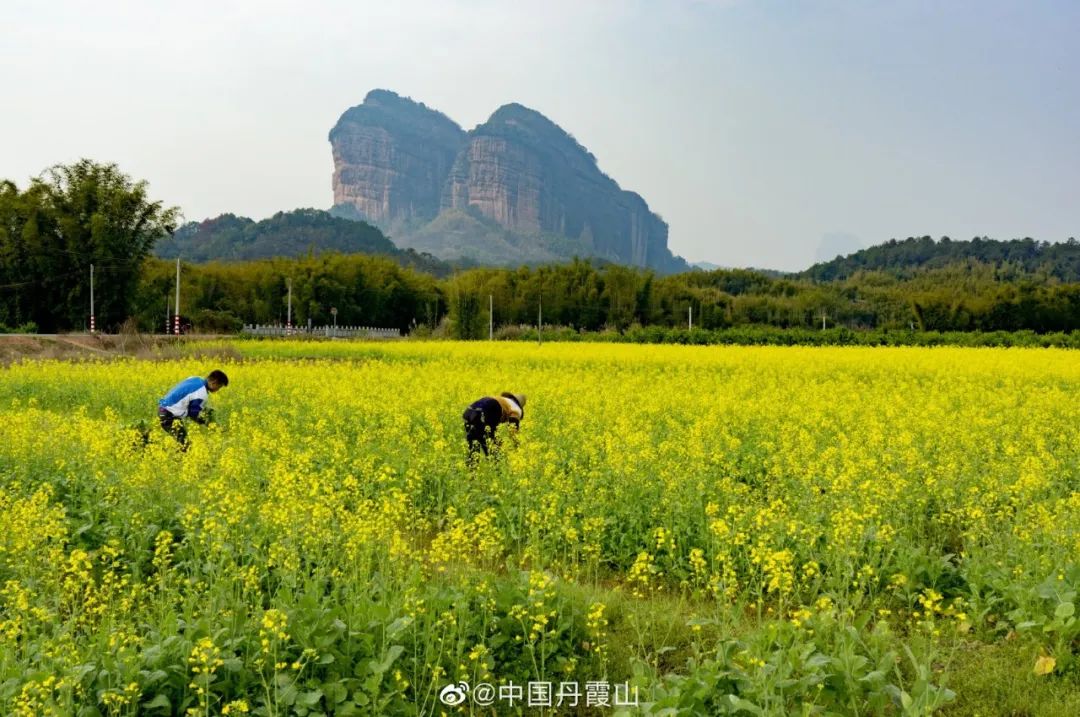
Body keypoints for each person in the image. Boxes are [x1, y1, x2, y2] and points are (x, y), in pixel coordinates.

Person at [157, 369, 229, 447]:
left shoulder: (196, 378)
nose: (218, 390)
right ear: (213, 383)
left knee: (181, 442)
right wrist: (208, 424)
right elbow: (193, 414)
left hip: (164, 409)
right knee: (184, 444)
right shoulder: (201, 393)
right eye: (219, 387)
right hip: (169, 414)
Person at [462, 392, 526, 459]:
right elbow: (513, 428)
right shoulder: (516, 409)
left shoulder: (503, 400)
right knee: (493, 448)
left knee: (474, 445)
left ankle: (472, 467)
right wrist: (517, 446)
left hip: (469, 411)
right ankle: (496, 466)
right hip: (487, 410)